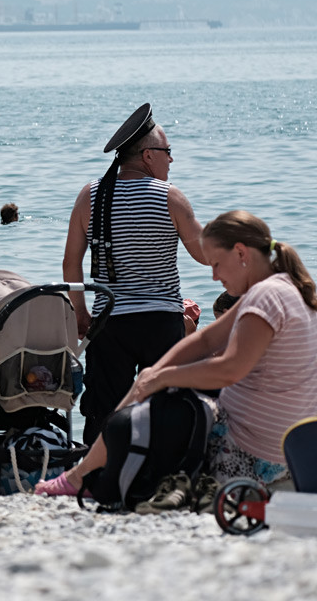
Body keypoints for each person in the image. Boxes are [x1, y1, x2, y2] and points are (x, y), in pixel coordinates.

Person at [38, 210, 317, 495]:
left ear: (241, 253)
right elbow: (205, 341)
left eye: (216, 264)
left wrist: (163, 379)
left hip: (249, 452)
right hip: (287, 448)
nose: (214, 277)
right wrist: (155, 372)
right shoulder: (283, 288)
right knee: (153, 382)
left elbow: (230, 369)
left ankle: (84, 477)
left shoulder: (265, 297)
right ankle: (84, 474)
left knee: (163, 404)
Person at [62, 103, 207, 443]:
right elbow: (203, 255)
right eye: (167, 152)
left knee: (105, 409)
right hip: (161, 321)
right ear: (147, 156)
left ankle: (98, 474)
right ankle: (163, 472)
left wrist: (80, 311)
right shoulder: (170, 197)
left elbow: (71, 264)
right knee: (167, 403)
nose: (171, 159)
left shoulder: (90, 195)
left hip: (110, 322)